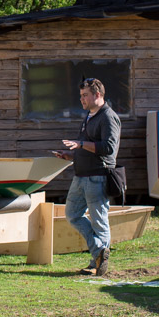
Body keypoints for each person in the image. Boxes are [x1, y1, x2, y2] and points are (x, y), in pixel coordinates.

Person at [55, 78, 121, 276]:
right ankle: (100, 251)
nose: (81, 100)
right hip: (81, 174)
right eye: (81, 96)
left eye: (85, 95)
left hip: (98, 177)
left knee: (99, 221)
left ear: (97, 95)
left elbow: (109, 148)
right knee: (72, 214)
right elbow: (86, 146)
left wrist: (81, 145)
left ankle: (98, 264)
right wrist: (71, 155)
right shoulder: (89, 116)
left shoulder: (108, 117)